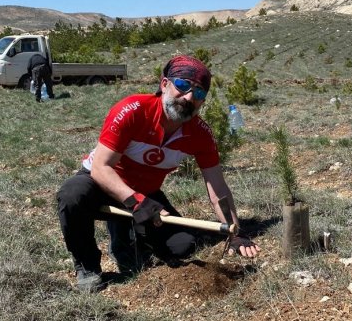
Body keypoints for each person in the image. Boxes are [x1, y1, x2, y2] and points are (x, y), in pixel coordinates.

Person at [57, 55, 260, 292]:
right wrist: (136, 202)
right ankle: (87, 266)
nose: (188, 98)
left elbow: (218, 186)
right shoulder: (133, 110)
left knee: (183, 246)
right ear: (164, 84)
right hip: (101, 184)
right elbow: (102, 168)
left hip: (145, 192)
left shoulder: (200, 135)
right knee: (71, 196)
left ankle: (130, 234)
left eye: (199, 93)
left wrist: (234, 232)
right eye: (182, 86)